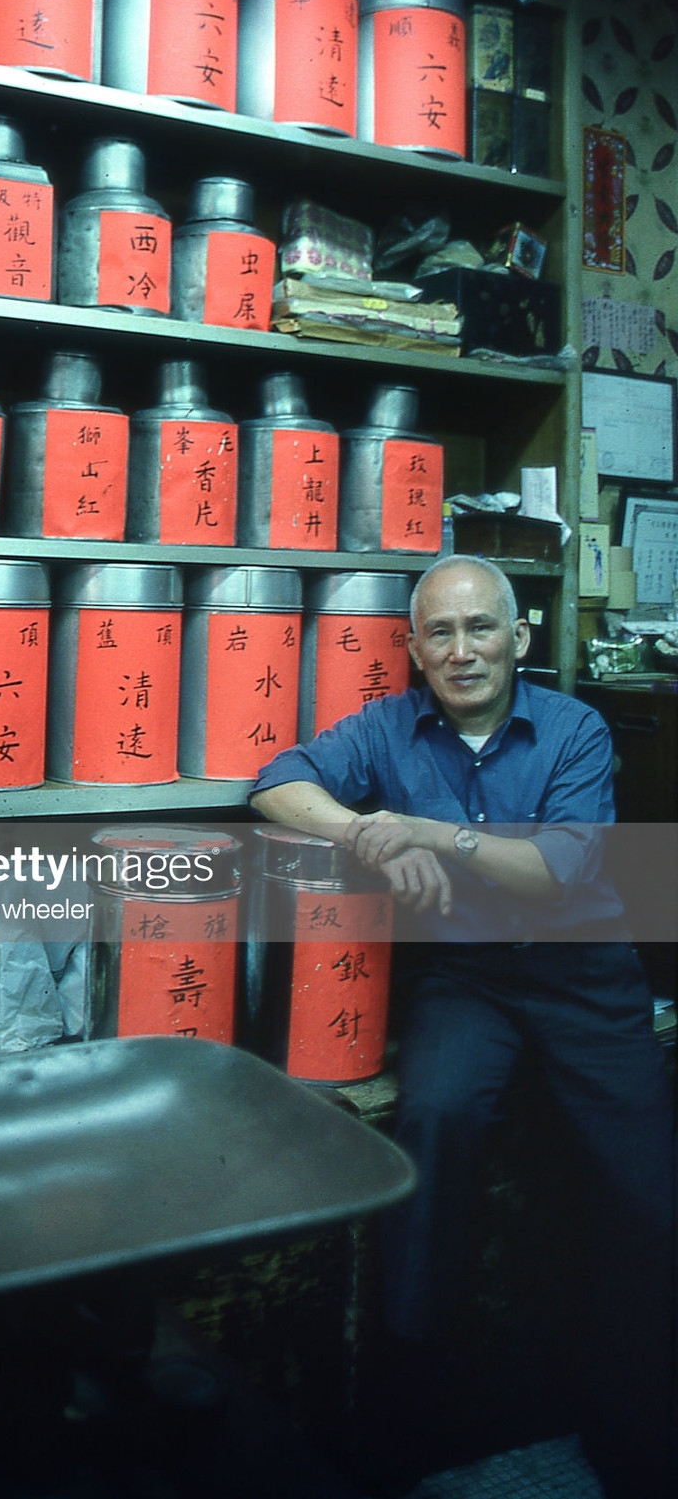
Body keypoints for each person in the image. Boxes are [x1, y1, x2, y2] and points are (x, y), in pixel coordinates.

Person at [250, 555, 674, 1496]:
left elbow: (558, 870)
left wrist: (424, 829)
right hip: (466, 978)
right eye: (439, 632)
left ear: (519, 639)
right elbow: (277, 782)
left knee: (646, 1192)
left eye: (481, 627)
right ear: (413, 649)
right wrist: (362, 831)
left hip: (584, 974)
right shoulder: (388, 728)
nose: (462, 648)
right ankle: (407, 1427)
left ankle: (640, 1441)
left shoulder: (576, 729)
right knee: (432, 1125)